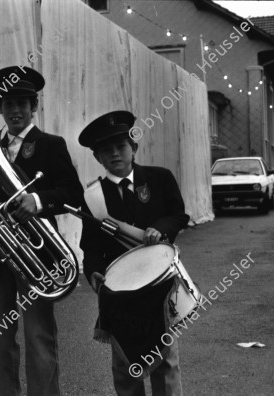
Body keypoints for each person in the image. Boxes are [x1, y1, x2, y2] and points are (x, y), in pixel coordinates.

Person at [0, 66, 84, 396]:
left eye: (22, 103)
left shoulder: (50, 145)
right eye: (9, 104)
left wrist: (37, 200)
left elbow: (73, 194)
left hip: (37, 254)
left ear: (34, 106)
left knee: (39, 335)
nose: (16, 111)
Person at [77, 110, 190, 396]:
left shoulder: (159, 178)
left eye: (120, 147)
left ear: (134, 148)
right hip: (120, 290)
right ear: (97, 157)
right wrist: (92, 271)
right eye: (106, 150)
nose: (115, 154)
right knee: (126, 364)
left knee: (165, 360)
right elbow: (90, 246)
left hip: (158, 284)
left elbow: (179, 215)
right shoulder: (93, 196)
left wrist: (158, 228)